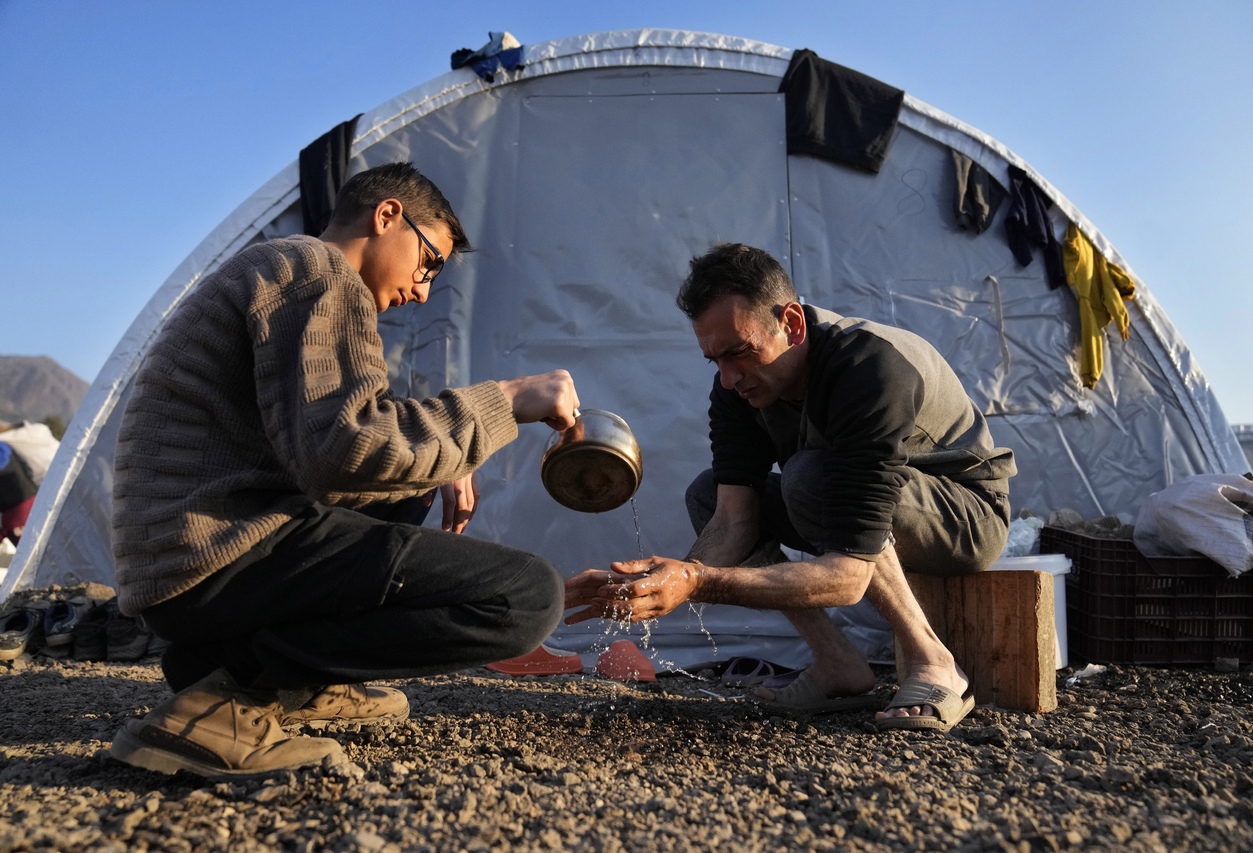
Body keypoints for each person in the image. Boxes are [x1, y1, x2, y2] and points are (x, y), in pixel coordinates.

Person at [108, 162, 578, 778]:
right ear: (387, 216)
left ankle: (245, 671)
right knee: (528, 596)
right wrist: (507, 400)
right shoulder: (319, 270)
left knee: (406, 491)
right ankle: (234, 696)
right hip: (215, 558)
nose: (423, 290)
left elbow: (330, 438)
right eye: (429, 261)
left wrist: (438, 461)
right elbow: (342, 450)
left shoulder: (283, 268)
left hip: (187, 567)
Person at [565, 243, 1015, 732]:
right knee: (707, 494)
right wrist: (656, 583)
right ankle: (836, 661)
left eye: (740, 352)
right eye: (714, 360)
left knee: (810, 477)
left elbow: (849, 576)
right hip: (852, 497)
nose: (729, 378)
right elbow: (732, 522)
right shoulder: (735, 388)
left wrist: (699, 582)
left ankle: (934, 661)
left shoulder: (869, 367)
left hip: (968, 517)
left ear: (792, 325)